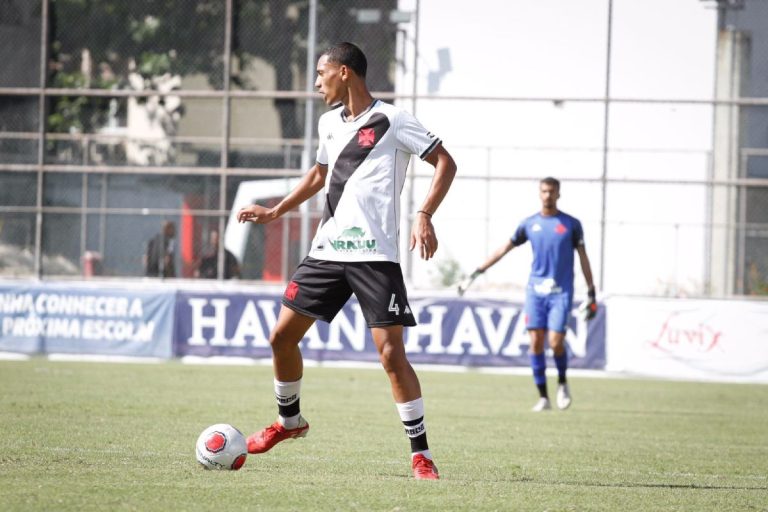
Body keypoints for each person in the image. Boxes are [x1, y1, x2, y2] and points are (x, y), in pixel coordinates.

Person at [237, 42, 456, 480]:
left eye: (322, 73)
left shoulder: (393, 121)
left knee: (391, 356)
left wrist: (424, 214)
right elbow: (319, 175)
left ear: (344, 72)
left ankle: (421, 455)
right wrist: (277, 210)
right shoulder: (327, 123)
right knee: (281, 337)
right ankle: (289, 422)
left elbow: (445, 163)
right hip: (327, 251)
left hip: (375, 257)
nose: (316, 83)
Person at [465, 177, 596, 412]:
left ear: (558, 194)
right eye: (544, 191)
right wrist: (478, 270)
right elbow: (504, 248)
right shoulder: (529, 224)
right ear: (539, 193)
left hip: (560, 292)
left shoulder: (571, 224)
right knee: (535, 342)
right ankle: (544, 397)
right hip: (535, 292)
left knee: (556, 342)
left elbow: (583, 257)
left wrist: (591, 291)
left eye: (552, 191)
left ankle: (563, 382)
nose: (548, 195)